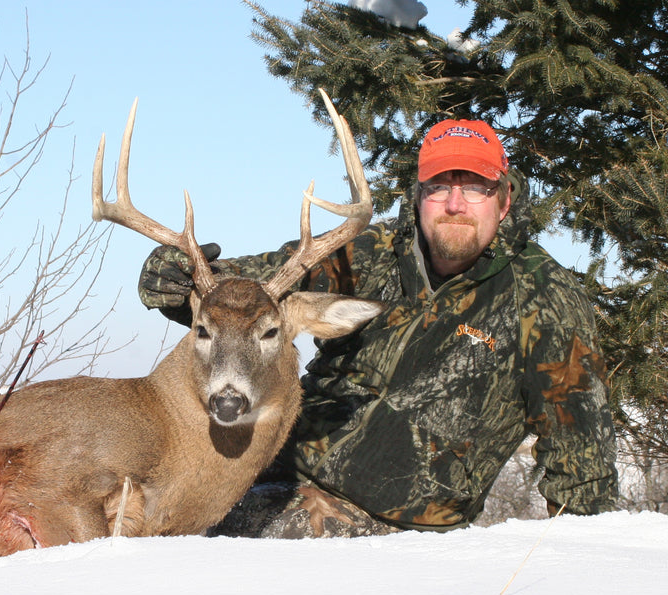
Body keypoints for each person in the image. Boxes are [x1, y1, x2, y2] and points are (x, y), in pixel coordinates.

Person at [137, 118, 619, 538]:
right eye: (438, 186)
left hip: (396, 527)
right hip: (273, 473)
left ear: (504, 198)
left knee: (202, 551)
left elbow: (579, 455)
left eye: (474, 186)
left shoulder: (544, 297)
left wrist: (575, 561)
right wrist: (184, 281)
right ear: (418, 196)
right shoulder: (371, 253)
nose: (455, 203)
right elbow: (257, 295)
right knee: (140, 514)